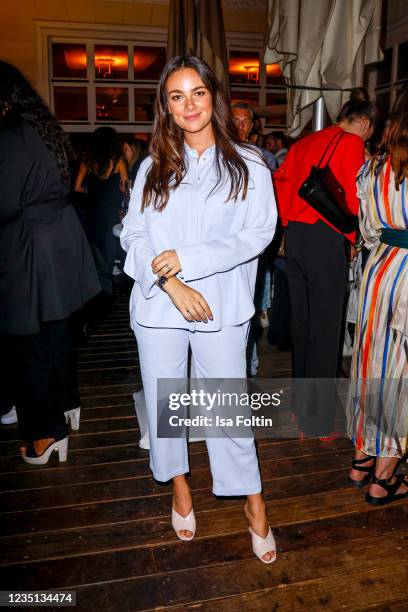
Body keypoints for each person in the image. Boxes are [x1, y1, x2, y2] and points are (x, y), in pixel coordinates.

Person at [121, 55, 277, 563]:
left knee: (225, 407)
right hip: (159, 304)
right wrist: (172, 282)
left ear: (214, 97)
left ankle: (254, 503)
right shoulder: (152, 165)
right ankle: (180, 488)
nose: (188, 105)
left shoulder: (249, 163)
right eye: (176, 96)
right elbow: (135, 234)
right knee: (169, 408)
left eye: (197, 93)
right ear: (165, 107)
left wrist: (188, 261)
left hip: (223, 306)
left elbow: (257, 234)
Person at [0, 61, 100, 464]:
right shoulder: (44, 129)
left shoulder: (9, 136)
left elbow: (5, 202)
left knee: (29, 345)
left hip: (30, 249)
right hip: (60, 241)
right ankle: (67, 405)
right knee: (57, 334)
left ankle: (46, 434)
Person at [275, 89, 378, 439]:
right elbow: (352, 198)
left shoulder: (304, 142)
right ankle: (317, 422)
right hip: (326, 237)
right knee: (327, 330)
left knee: (302, 327)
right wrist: (351, 239)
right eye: (369, 131)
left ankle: (298, 410)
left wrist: (288, 231)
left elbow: (282, 185)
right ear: (363, 124)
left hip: (298, 238)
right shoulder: (350, 143)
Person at [347, 85, 408, 504]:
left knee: (373, 363)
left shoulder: (373, 168)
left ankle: (362, 460)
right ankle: (384, 477)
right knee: (400, 374)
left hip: (379, 269)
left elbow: (368, 230)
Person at [74, 127, 128, 276]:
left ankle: (98, 274)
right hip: (112, 207)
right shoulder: (118, 160)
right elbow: (125, 187)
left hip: (94, 208)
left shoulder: (88, 161)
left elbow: (77, 188)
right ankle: (110, 270)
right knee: (111, 239)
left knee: (96, 242)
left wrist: (91, 190)